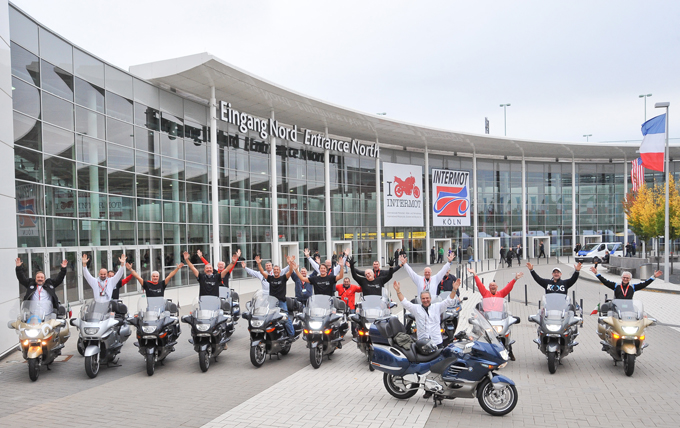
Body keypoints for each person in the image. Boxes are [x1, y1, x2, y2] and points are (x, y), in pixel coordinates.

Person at [393, 278, 461, 398]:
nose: (425, 300)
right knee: (426, 368)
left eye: (427, 298)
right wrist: (398, 291)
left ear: (430, 299)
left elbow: (449, 301)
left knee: (439, 367)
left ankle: (440, 391)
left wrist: (454, 289)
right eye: (423, 298)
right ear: (420, 299)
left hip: (436, 342)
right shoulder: (416, 308)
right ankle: (428, 390)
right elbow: (405, 303)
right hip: (423, 344)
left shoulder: (437, 307)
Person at [468, 267, 523, 360]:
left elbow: (508, 288)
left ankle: (510, 349)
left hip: (499, 319)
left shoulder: (501, 294)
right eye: (491, 286)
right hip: (488, 320)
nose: (493, 287)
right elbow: (479, 285)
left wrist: (515, 279)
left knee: (507, 331)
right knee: (478, 332)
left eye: (494, 285)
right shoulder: (485, 294)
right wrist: (474, 274)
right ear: (489, 288)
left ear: (497, 287)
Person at [256, 255, 295, 337]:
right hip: (272, 302)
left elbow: (291, 271)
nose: (276, 271)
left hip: (281, 302)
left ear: (280, 271)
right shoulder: (270, 278)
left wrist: (291, 263)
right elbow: (262, 272)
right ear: (273, 271)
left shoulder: (284, 278)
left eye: (277, 270)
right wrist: (259, 264)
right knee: (268, 318)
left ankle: (291, 335)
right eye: (275, 270)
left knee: (286, 318)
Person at [590, 267, 662, 309]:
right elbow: (605, 281)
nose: (625, 279)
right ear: (621, 278)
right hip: (617, 308)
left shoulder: (632, 287)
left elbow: (644, 284)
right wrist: (596, 273)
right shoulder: (616, 286)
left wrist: (654, 277)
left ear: (630, 279)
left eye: (627, 278)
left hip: (629, 309)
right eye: (624, 277)